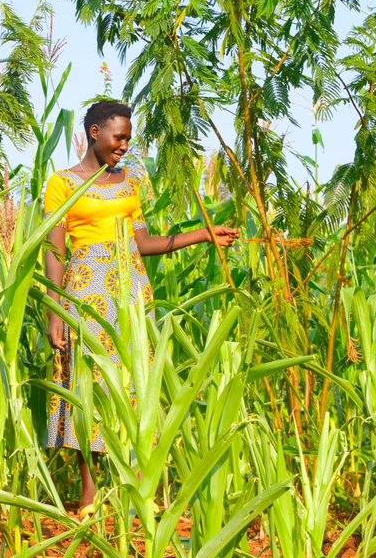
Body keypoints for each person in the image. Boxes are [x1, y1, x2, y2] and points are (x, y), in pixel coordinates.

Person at [43, 100, 238, 511]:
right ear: (95, 133)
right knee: (87, 383)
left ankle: (137, 487)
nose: (124, 146)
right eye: (119, 137)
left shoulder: (130, 182)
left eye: (129, 138)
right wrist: (54, 310)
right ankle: (90, 493)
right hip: (87, 294)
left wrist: (205, 234)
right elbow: (55, 253)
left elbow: (143, 244)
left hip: (132, 294)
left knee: (136, 383)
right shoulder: (61, 183)